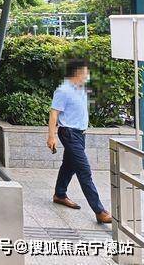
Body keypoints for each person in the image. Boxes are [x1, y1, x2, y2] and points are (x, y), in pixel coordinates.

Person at [47, 59, 112, 224]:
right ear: (77, 72)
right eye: (85, 72)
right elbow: (54, 114)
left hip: (80, 134)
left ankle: (59, 194)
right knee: (84, 171)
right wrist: (51, 136)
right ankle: (100, 211)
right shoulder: (63, 90)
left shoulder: (81, 88)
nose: (87, 75)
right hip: (69, 133)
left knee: (68, 166)